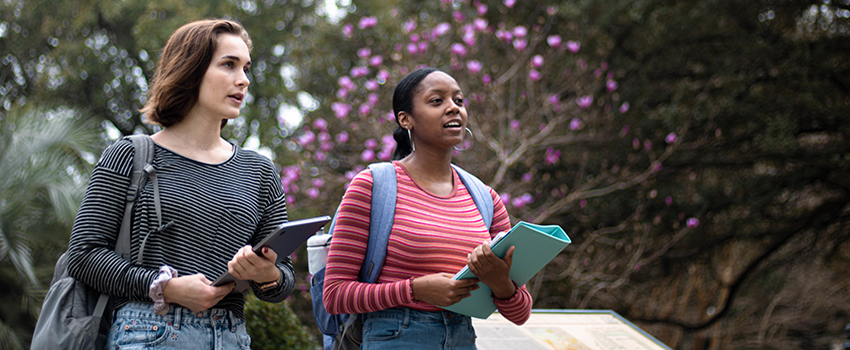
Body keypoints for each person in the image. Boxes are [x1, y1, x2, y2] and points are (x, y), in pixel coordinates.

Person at [66, 19, 293, 349]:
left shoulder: (259, 170)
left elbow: (282, 279)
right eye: (228, 65)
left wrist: (265, 273)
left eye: (246, 67)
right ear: (191, 70)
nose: (243, 80)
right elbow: (84, 255)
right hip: (147, 332)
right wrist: (165, 287)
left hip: (231, 336)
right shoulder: (130, 155)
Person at [323, 67, 532, 349]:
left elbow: (520, 313)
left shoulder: (485, 198)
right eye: (437, 101)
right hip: (393, 337)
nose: (453, 109)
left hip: (462, 337)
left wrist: (501, 283)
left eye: (458, 101)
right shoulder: (372, 186)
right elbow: (335, 295)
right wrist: (415, 289)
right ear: (405, 119)